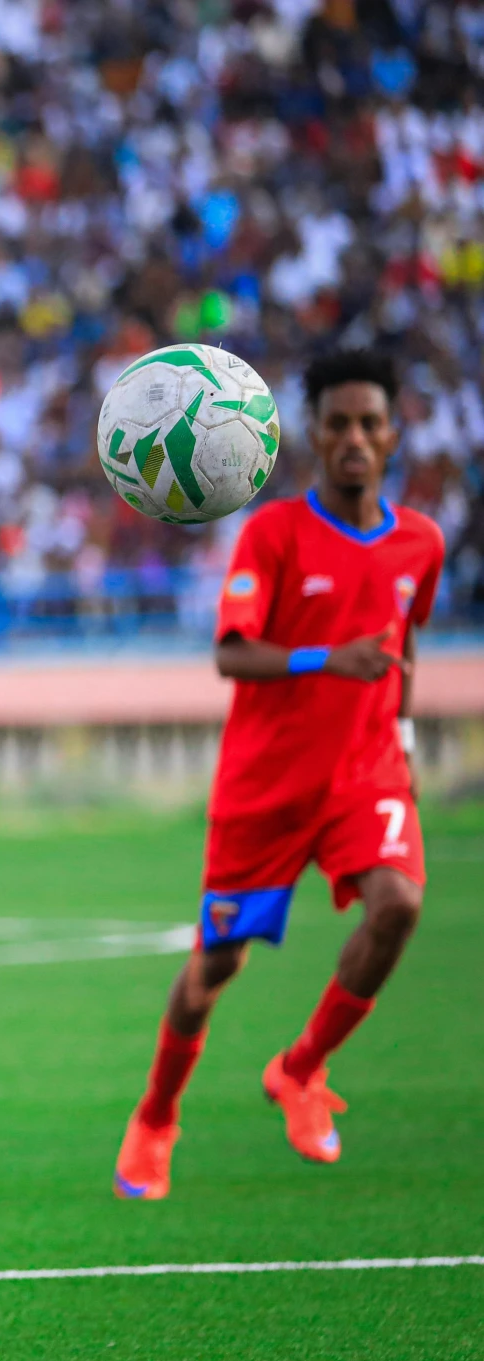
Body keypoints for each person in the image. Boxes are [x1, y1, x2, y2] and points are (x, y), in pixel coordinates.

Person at [114, 349, 443, 1199]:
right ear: (309, 436)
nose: (356, 440)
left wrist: (400, 738)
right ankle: (156, 1117)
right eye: (338, 424)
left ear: (393, 434)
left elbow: (404, 648)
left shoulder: (422, 542)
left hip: (365, 774)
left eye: (371, 424)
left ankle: (302, 1067)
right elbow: (232, 654)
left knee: (400, 902)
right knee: (214, 967)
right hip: (265, 786)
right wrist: (330, 658)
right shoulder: (274, 532)